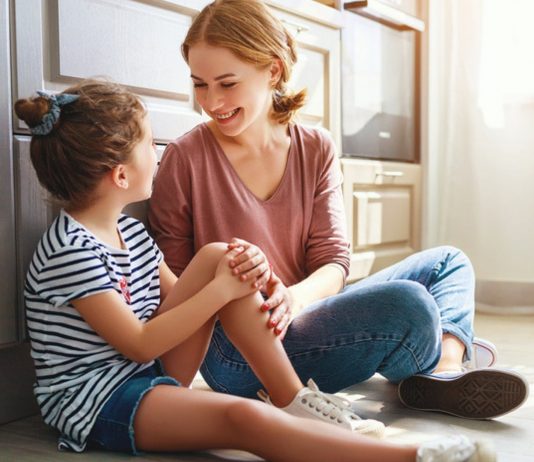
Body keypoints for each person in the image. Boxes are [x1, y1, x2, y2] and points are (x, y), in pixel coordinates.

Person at [17, 79, 498, 461]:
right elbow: (139, 342)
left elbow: (179, 300)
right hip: (103, 401)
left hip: (150, 372)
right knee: (242, 420)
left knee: (220, 255)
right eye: (149, 146)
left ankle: (292, 398)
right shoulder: (69, 252)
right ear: (120, 175)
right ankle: (411, 457)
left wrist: (245, 272)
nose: (159, 154)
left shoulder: (130, 233)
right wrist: (223, 290)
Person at [148, 0, 529, 422]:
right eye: (200, 84)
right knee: (410, 305)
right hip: (239, 355)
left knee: (449, 262)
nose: (211, 101)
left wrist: (292, 298)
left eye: (226, 83)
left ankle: (444, 370)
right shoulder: (185, 157)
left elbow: (332, 262)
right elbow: (176, 285)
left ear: (272, 70)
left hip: (303, 310)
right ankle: (447, 348)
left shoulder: (315, 147)